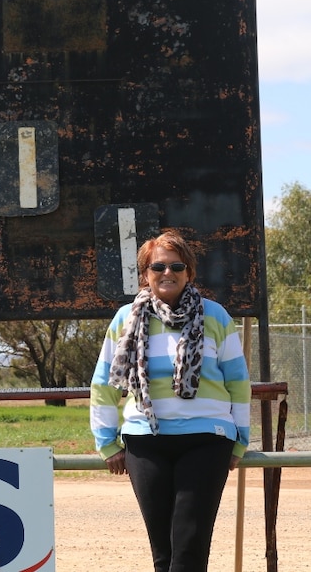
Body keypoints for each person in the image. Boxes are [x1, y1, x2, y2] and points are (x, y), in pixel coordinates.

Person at [89, 230, 251, 572]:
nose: (167, 273)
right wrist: (106, 443)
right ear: (146, 274)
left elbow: (238, 384)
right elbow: (104, 383)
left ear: (189, 273)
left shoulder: (216, 316)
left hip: (208, 440)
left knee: (189, 550)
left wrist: (240, 442)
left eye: (177, 266)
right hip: (145, 442)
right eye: (158, 266)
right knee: (164, 555)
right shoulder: (125, 319)